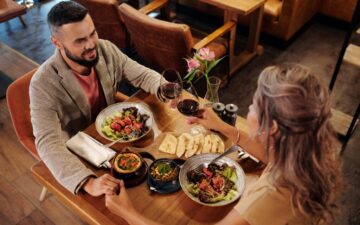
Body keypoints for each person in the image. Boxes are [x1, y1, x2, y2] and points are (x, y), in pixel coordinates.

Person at [105, 64, 342, 225]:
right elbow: (272, 157)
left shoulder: (269, 196)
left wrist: (127, 213)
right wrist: (222, 126)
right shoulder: (310, 150)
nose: (249, 108)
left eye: (254, 105)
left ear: (273, 127)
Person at [29, 1, 163, 196]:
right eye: (80, 40)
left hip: (114, 141)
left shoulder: (105, 48)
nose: (91, 45)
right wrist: (87, 182)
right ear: (57, 43)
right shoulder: (42, 84)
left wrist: (165, 87)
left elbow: (142, 75)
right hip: (80, 152)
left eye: (92, 33)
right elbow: (47, 142)